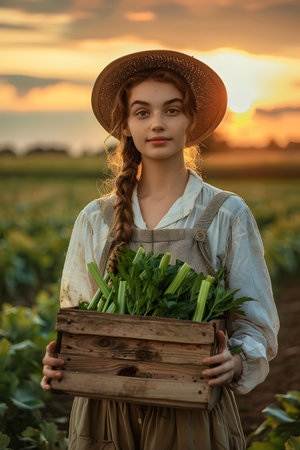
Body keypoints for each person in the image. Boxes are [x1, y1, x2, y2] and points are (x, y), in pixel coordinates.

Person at [41, 50, 279, 450]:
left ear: (191, 121)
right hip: (105, 410)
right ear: (126, 125)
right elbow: (77, 318)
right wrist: (62, 359)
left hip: (190, 406)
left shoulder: (226, 213)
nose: (157, 123)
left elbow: (255, 323)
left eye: (171, 110)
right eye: (141, 112)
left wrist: (236, 360)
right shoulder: (95, 219)